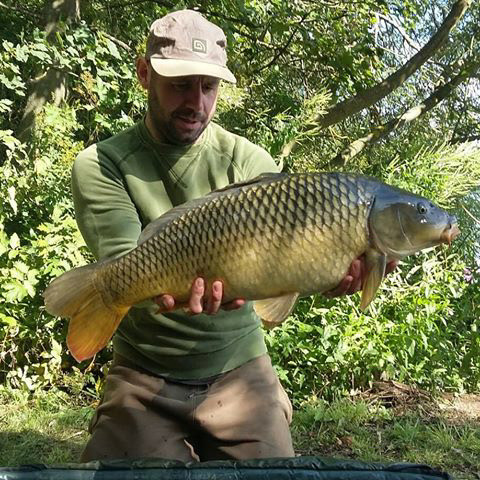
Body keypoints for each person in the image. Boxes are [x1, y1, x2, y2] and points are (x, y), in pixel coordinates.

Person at [73, 9, 393, 462]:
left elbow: (289, 268)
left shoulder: (249, 160)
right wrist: (162, 286)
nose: (196, 103)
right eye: (180, 84)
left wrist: (335, 278)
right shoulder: (101, 164)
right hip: (145, 372)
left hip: (239, 370)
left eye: (208, 86)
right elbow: (127, 262)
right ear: (145, 74)